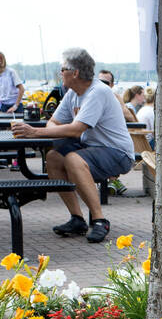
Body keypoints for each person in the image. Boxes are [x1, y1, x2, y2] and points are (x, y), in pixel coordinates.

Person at [13, 47, 135, 244]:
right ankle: (77, 219)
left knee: (72, 159)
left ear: (75, 72)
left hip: (118, 152)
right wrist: (53, 129)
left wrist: (34, 132)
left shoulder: (98, 92)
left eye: (62, 69)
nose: (60, 73)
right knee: (53, 158)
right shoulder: (73, 93)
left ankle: (99, 220)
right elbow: (53, 122)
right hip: (91, 149)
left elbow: (76, 130)